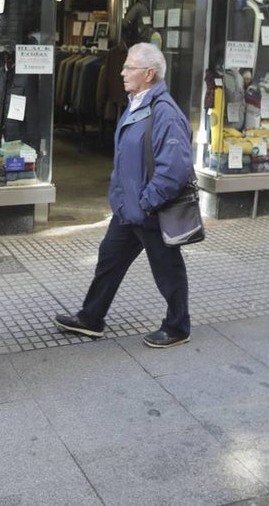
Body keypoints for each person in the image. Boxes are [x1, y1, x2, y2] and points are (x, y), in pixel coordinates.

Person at [52, 41, 194, 349]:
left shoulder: (164, 112)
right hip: (128, 209)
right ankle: (91, 318)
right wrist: (121, 199)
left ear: (149, 73)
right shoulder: (136, 102)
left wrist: (146, 201)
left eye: (129, 67)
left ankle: (178, 326)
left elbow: (176, 169)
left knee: (168, 269)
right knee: (109, 260)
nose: (120, 72)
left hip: (149, 210)